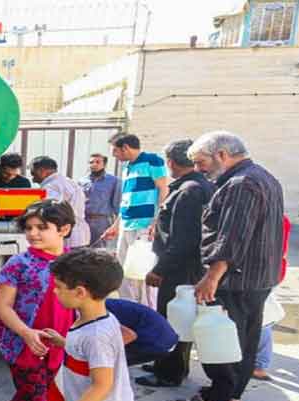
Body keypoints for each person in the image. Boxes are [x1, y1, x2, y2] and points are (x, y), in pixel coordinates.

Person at [168, 131, 284, 401]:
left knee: (221, 337)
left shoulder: (241, 184)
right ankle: (231, 393)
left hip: (236, 278)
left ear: (221, 154)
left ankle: (217, 398)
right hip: (257, 277)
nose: (198, 168)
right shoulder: (263, 176)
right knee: (245, 336)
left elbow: (232, 238)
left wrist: (212, 276)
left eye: (200, 161)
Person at [0, 199, 76, 401]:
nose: (33, 233)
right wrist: (26, 333)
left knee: (28, 396)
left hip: (58, 345)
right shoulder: (19, 263)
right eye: (28, 228)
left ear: (64, 229)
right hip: (22, 346)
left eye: (41, 227)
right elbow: (2, 306)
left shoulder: (76, 262)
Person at [137, 139, 214, 388]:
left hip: (180, 268)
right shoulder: (194, 186)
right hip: (183, 265)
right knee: (176, 317)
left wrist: (160, 269)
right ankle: (166, 363)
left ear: (170, 162)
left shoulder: (190, 190)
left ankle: (170, 372)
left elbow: (183, 240)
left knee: (175, 319)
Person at [43, 249, 134, 401]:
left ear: (80, 292)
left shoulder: (96, 335)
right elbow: (87, 356)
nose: (54, 291)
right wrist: (63, 342)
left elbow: (101, 385)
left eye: (58, 287)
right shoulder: (95, 318)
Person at [102, 133, 169, 310]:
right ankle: (129, 306)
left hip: (145, 223)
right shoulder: (127, 168)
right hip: (126, 223)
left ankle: (148, 309)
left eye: (115, 151)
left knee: (142, 270)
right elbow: (126, 199)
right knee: (123, 270)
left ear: (125, 148)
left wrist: (157, 221)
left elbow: (163, 189)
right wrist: (116, 225)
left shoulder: (152, 161)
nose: (114, 155)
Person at [254, 215, 292, 381]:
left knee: (263, 318)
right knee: (263, 316)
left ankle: (260, 364)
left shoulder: (268, 218)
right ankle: (259, 362)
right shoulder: (281, 218)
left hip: (261, 274)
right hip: (271, 272)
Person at [30, 157, 90, 248]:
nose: (33, 179)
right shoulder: (69, 182)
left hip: (67, 238)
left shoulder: (51, 186)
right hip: (80, 236)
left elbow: (51, 214)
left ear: (42, 171)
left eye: (33, 174)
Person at [105, 299, 178, 367]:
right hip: (164, 336)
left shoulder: (103, 313)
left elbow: (130, 335)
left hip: (157, 342)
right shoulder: (103, 304)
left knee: (107, 361)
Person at [78, 154, 121, 248]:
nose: (94, 164)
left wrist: (116, 225)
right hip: (84, 220)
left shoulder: (113, 181)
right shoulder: (82, 181)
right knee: (81, 250)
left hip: (101, 222)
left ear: (104, 164)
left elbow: (118, 205)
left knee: (99, 251)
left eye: (97, 162)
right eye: (91, 162)